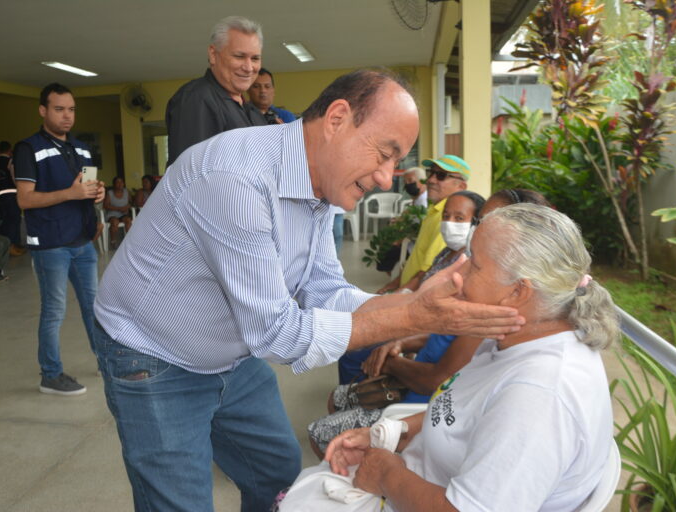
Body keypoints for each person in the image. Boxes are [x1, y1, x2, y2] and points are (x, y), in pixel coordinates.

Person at [93, 69, 524, 512]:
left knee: (277, 473)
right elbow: (277, 333)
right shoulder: (235, 179)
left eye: (397, 162)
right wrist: (413, 317)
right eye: (385, 154)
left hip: (231, 351)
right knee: (180, 501)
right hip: (154, 354)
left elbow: (324, 289)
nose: (386, 177)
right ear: (337, 118)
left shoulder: (318, 180)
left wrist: (413, 304)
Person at [277, 203, 620, 512]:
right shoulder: (508, 338)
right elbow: (466, 411)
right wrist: (392, 432)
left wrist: (387, 474)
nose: (458, 273)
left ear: (518, 292)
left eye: (475, 265)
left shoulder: (539, 395)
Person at [336, 191, 485, 385]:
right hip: (412, 312)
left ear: (476, 223)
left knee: (354, 353)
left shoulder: (468, 261)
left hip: (421, 326)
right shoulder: (446, 252)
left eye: (459, 218)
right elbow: (423, 279)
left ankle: (358, 397)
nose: (449, 223)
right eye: (446, 216)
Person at [14, 82, 105, 396]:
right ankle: (50, 375)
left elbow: (89, 189)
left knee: (95, 307)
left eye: (71, 109)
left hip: (82, 242)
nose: (67, 116)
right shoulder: (28, 149)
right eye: (59, 109)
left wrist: (97, 195)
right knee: (54, 311)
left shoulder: (82, 148)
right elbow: (24, 200)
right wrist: (72, 192)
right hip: (51, 244)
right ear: (43, 110)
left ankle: (105, 360)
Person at [165, 16, 267, 166]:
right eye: (239, 56)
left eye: (255, 58)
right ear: (213, 54)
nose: (248, 67)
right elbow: (192, 175)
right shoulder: (197, 99)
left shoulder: (251, 111)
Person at [377, 155, 469, 294]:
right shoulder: (434, 209)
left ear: (461, 186)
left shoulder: (447, 219)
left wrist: (399, 295)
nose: (431, 180)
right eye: (430, 173)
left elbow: (428, 270)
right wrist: (396, 282)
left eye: (441, 175)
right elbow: (418, 254)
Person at [0, 141, 25, 256]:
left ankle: (4, 248)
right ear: (10, 150)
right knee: (14, 221)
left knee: (5, 222)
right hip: (11, 195)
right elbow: (15, 178)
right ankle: (13, 247)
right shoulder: (10, 161)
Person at [103, 176, 132, 247]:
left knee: (128, 220)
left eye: (121, 182)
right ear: (114, 184)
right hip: (112, 214)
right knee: (115, 222)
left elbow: (132, 202)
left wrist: (127, 206)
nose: (120, 184)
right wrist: (119, 209)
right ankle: (113, 241)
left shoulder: (126, 191)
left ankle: (129, 241)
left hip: (123, 214)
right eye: (117, 182)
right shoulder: (110, 193)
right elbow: (106, 206)